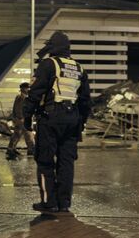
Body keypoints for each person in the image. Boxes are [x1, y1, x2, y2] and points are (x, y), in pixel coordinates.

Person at [23, 31, 91, 214]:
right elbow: (85, 100)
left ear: (52, 47)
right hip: (72, 120)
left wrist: (27, 118)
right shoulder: (79, 68)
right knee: (66, 163)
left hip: (50, 119)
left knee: (45, 160)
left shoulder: (48, 65)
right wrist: (81, 122)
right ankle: (64, 204)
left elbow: (35, 94)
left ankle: (49, 202)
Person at [6, 82, 35, 160]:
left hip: (21, 119)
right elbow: (18, 108)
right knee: (27, 135)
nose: (28, 89)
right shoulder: (24, 97)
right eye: (27, 88)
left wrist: (15, 117)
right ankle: (31, 150)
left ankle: (11, 148)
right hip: (23, 119)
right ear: (23, 89)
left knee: (19, 134)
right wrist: (17, 118)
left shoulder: (20, 97)